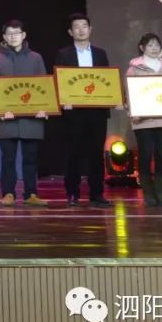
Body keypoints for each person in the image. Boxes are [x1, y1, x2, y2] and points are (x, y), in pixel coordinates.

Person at [55, 12, 115, 208]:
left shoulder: (100, 53)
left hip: (97, 111)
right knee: (73, 152)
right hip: (74, 111)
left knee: (96, 153)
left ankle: (97, 193)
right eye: (76, 27)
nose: (81, 30)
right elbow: (59, 80)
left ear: (90, 29)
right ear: (70, 32)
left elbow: (107, 80)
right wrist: (64, 101)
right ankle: (72, 193)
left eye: (84, 26)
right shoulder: (64, 54)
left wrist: (112, 99)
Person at [0, 20, 49, 207]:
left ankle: (31, 193)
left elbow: (43, 86)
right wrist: (0, 111)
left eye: (16, 33)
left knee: (31, 158)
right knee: (8, 159)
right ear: (4, 37)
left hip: (32, 119)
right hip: (7, 118)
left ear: (23, 35)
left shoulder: (36, 58)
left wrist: (44, 108)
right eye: (9, 33)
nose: (13, 37)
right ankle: (8, 193)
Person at [126, 32, 162, 207]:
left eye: (157, 45)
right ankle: (148, 192)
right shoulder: (134, 68)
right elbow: (129, 92)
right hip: (143, 119)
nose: (154, 48)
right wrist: (133, 110)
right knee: (145, 154)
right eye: (150, 45)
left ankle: (160, 192)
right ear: (142, 48)